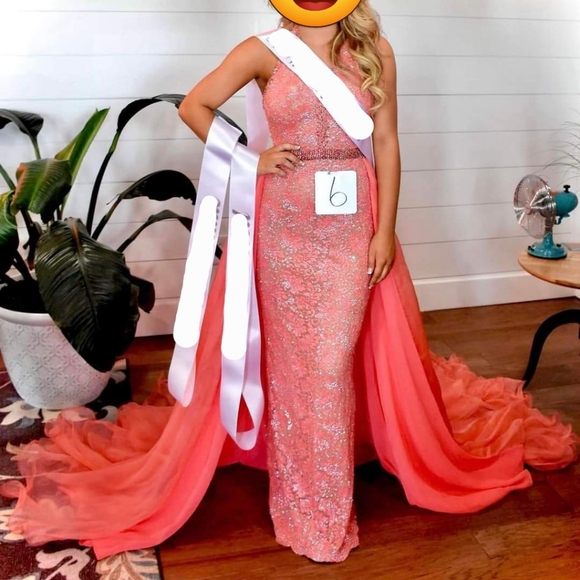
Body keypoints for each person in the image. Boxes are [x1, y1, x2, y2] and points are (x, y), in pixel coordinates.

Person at [1, 0, 578, 565]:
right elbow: (195, 106)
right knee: (295, 367)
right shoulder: (265, 50)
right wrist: (250, 161)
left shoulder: (373, 49)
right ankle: (304, 502)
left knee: (329, 364)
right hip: (282, 231)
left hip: (353, 226)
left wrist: (385, 230)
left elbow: (386, 142)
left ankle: (322, 504)